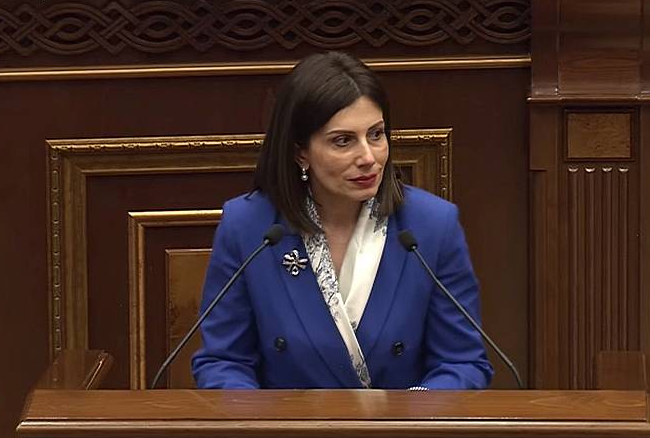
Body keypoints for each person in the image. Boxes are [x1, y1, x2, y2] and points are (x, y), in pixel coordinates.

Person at [191, 51, 493, 389]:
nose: (368, 157)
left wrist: (412, 413)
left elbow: (462, 363)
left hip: (403, 423)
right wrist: (265, 419)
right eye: (343, 141)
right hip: (286, 424)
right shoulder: (248, 226)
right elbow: (223, 362)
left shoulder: (432, 225)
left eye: (376, 134)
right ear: (300, 152)